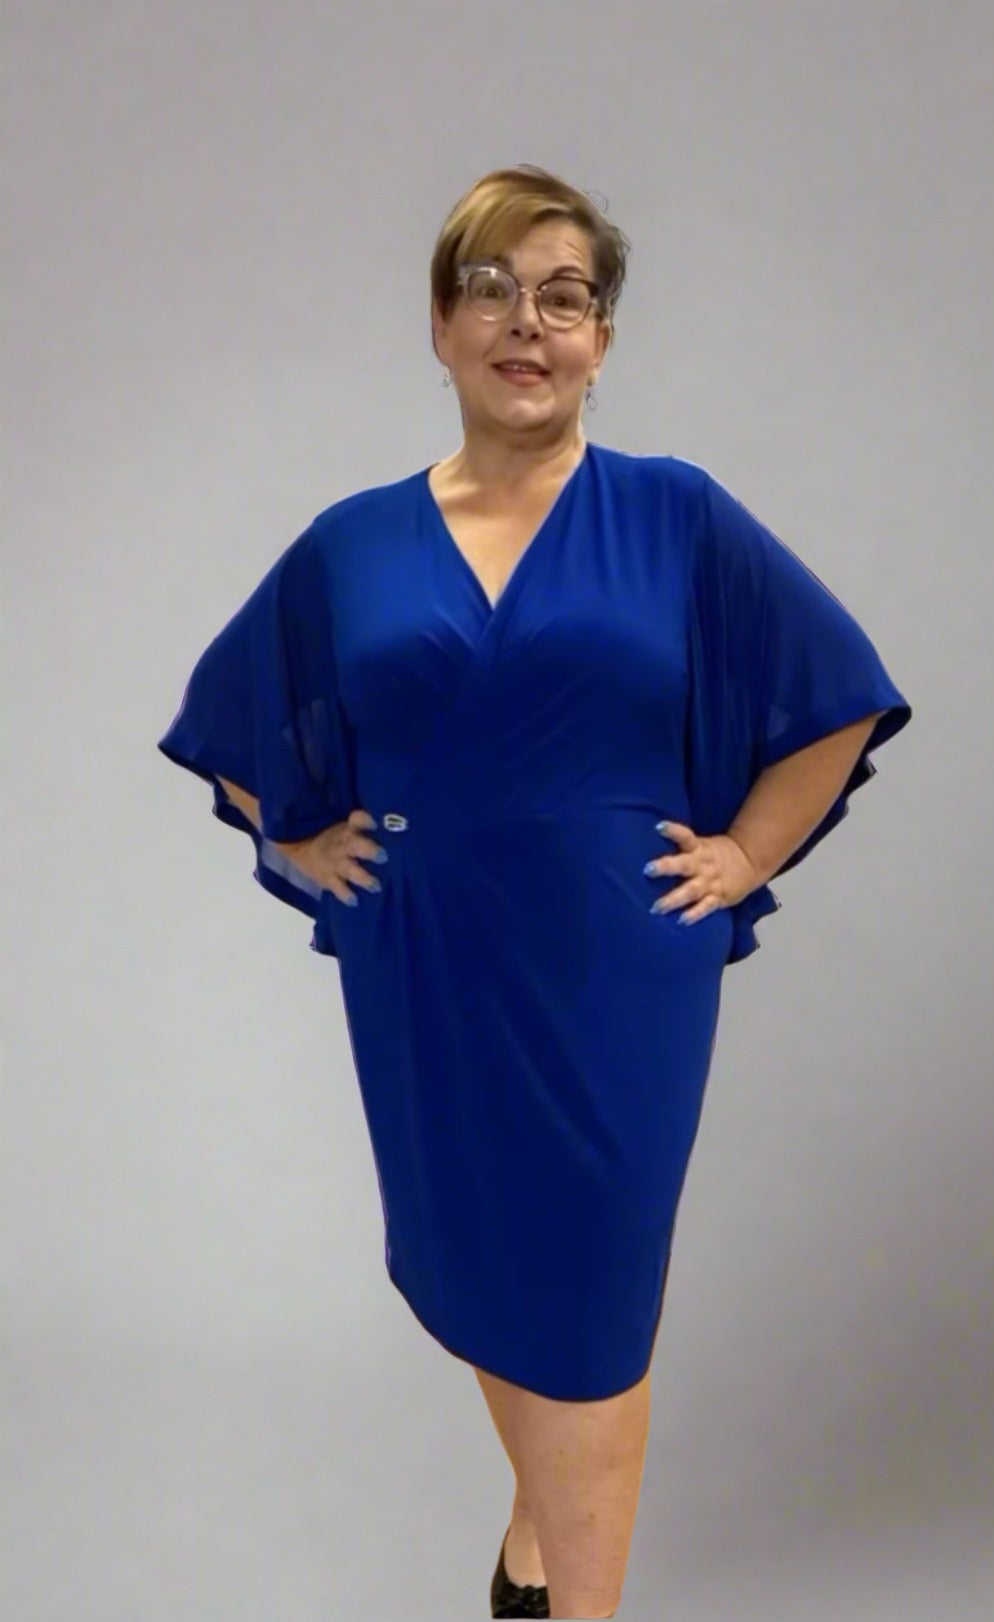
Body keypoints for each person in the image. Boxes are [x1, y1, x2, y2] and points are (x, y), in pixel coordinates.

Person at [158, 164, 912, 1620]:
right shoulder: (352, 542)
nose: (527, 321)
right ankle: (531, 1545)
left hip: (619, 970)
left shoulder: (675, 514)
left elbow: (836, 695)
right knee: (487, 1265)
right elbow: (236, 717)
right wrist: (301, 839)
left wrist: (747, 853)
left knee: (591, 1303)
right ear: (439, 326)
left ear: (601, 341)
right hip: (427, 961)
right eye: (491, 289)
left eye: (564, 296)